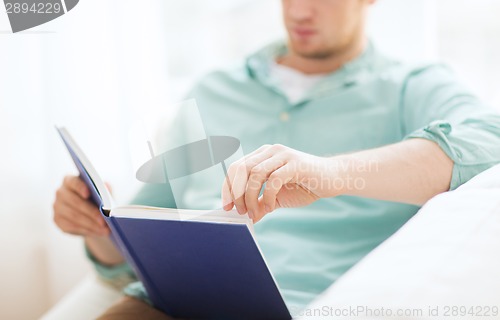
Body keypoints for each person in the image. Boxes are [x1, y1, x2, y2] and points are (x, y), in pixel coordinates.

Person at [53, 0, 500, 319]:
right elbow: (137, 241)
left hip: (311, 304)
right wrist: (95, 227)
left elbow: (490, 141)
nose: (299, 12)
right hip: (168, 304)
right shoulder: (211, 89)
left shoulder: (412, 86)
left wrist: (333, 173)